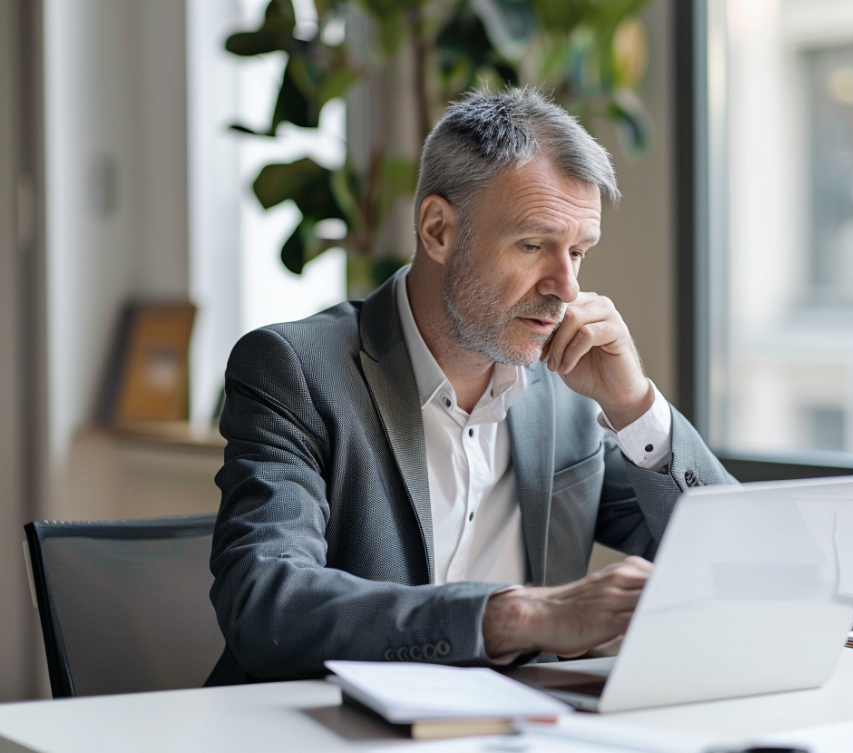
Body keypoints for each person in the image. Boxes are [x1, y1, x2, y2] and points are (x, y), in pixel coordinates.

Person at [206, 88, 733, 685]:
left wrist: (635, 407)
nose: (565, 287)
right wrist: (516, 616)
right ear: (437, 230)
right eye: (533, 245)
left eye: (579, 253)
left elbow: (733, 562)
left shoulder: (564, 390)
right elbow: (266, 604)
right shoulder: (296, 370)